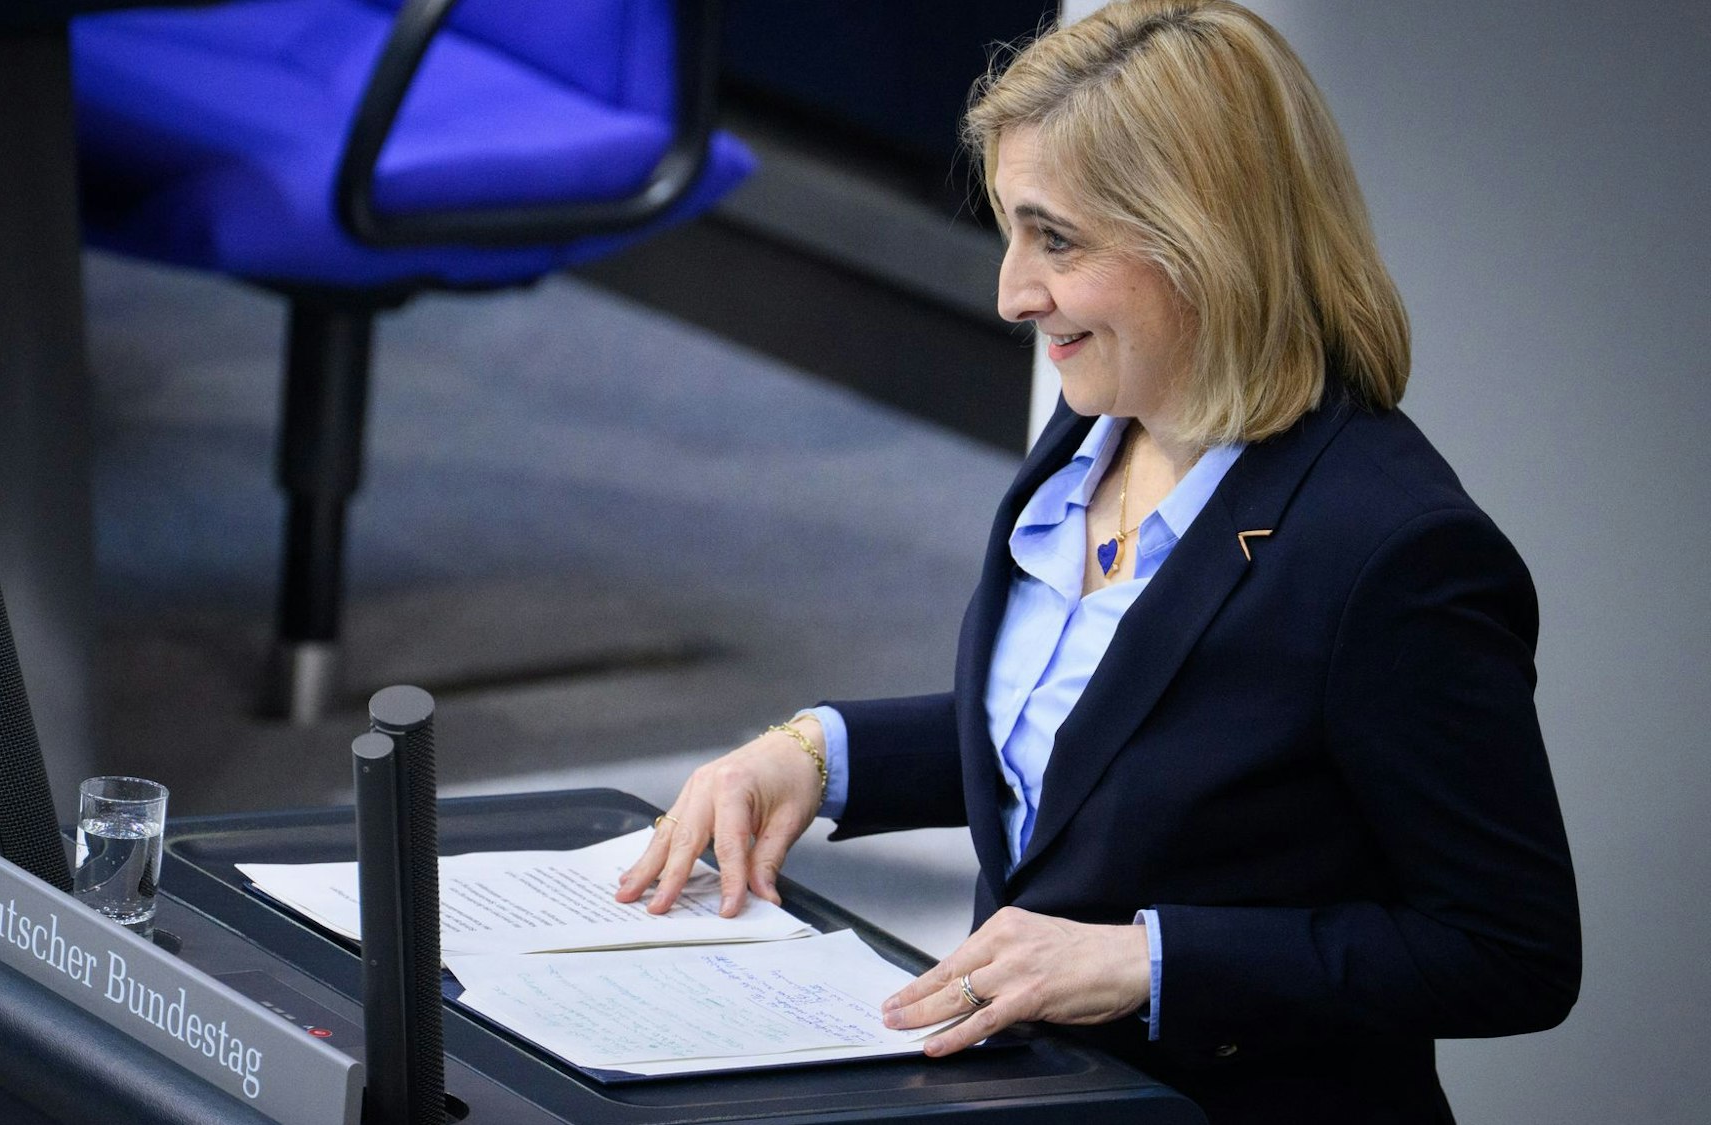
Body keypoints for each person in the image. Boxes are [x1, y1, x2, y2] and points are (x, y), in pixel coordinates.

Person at [614, 1, 1581, 1121]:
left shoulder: (1396, 553)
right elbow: (1089, 745)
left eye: (1055, 239)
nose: (1010, 293)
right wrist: (817, 756)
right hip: (1047, 1095)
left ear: (1201, 237)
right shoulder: (1097, 425)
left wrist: (1143, 961)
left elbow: (1506, 951)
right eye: (1010, 232)